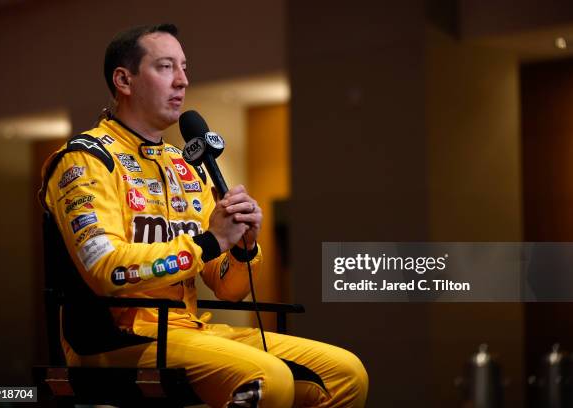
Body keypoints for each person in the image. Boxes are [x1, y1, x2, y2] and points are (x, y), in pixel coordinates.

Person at [39, 23, 368, 407]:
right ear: (124, 80)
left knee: (346, 373)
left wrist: (242, 246)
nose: (182, 81)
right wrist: (210, 240)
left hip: (190, 330)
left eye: (184, 67)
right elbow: (107, 271)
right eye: (165, 67)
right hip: (114, 340)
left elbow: (228, 288)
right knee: (269, 378)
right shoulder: (85, 159)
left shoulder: (186, 166)